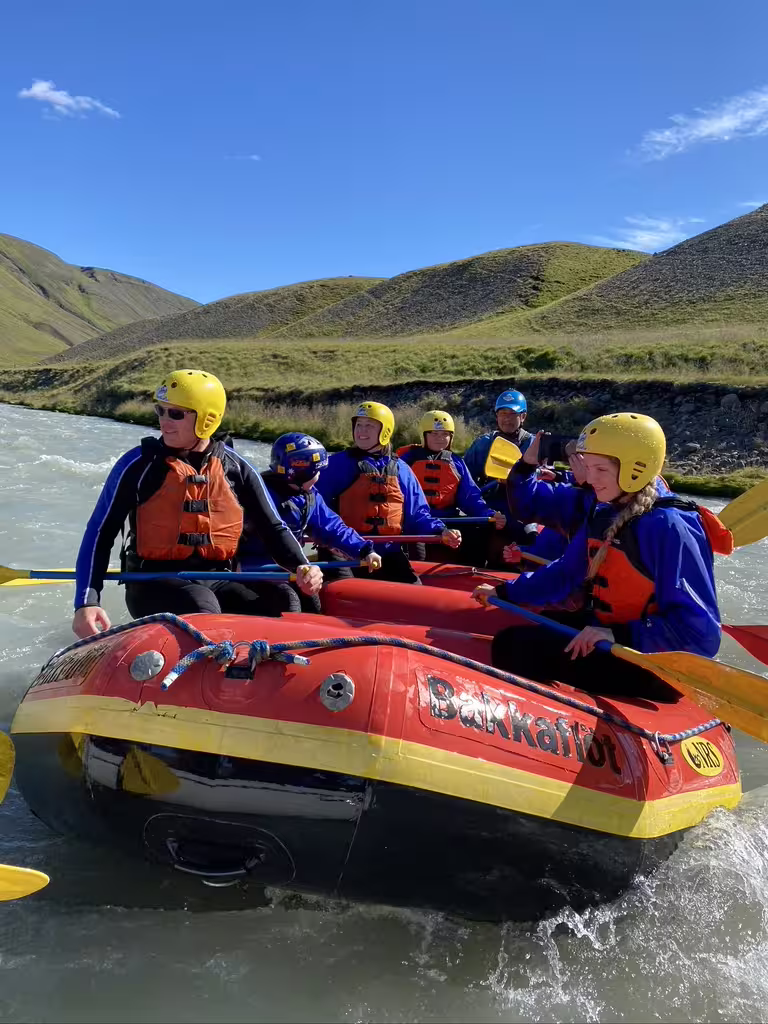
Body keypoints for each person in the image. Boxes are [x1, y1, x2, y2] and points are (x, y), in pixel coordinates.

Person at [472, 413, 730, 698]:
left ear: (636, 469)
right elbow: (566, 572)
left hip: (653, 662)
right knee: (529, 630)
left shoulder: (670, 526)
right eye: (587, 466)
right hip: (614, 635)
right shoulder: (605, 509)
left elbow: (700, 633)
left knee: (514, 647)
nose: (589, 478)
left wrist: (620, 635)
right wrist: (506, 592)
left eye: (600, 469)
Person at [72, 369, 322, 638]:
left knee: (285, 599)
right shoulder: (137, 465)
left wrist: (303, 566)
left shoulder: (236, 467)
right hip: (152, 583)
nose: (164, 421)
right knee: (201, 603)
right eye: (160, 410)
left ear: (207, 418)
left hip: (219, 577)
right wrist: (86, 602)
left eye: (176, 414)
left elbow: (273, 527)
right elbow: (100, 532)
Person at [316, 401, 461, 584]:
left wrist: (441, 530)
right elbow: (316, 510)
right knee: (346, 589)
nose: (362, 431)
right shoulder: (335, 465)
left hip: (387, 550)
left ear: (385, 430)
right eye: (359, 425)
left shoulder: (401, 469)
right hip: (343, 551)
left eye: (369, 425)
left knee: (414, 590)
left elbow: (418, 515)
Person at [239, 432, 382, 611]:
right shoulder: (258, 494)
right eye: (317, 472)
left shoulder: (309, 496)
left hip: (290, 567)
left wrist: (363, 549)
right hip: (252, 568)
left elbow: (332, 528)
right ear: (302, 474)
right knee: (289, 599)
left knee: (312, 599)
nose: (319, 476)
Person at [397, 410, 505, 565]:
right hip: (415, 520)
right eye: (434, 433)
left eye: (445, 434)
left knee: (478, 532)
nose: (440, 438)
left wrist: (489, 514)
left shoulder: (456, 462)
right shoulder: (406, 461)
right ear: (424, 435)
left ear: (451, 437)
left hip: (448, 518)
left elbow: (470, 497)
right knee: (415, 541)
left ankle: (472, 573)